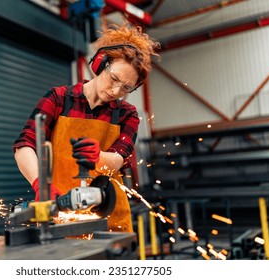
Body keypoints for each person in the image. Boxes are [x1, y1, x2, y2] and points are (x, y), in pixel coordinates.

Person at [13, 23, 159, 233]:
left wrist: (98, 157)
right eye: (114, 78)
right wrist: (40, 186)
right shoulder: (59, 99)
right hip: (60, 210)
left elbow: (118, 159)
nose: (116, 90)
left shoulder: (128, 114)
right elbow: (24, 145)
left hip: (108, 214)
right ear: (100, 64)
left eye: (126, 87)